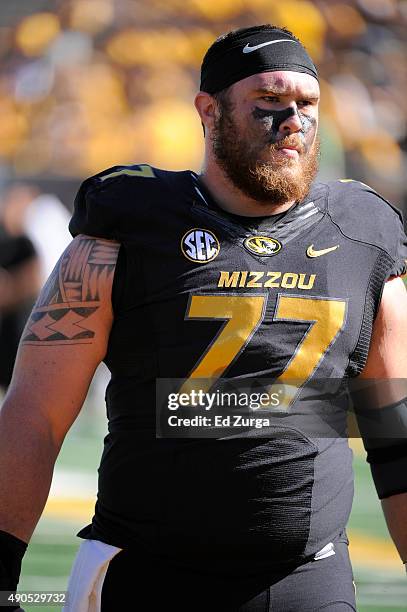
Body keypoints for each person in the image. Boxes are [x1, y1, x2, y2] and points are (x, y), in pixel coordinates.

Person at [0, 24, 407, 612]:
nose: (293, 119)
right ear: (208, 111)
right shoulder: (133, 221)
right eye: (269, 102)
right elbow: (36, 414)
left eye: (307, 104)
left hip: (306, 578)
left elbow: (395, 436)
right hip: (145, 572)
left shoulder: (362, 231)